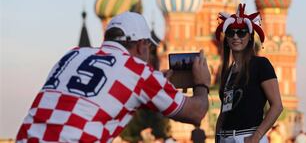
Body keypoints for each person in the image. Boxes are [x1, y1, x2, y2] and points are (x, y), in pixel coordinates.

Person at [16, 11, 211, 142]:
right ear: (141, 45)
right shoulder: (138, 71)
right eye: (149, 49)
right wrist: (202, 82)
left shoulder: (73, 54)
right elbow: (196, 113)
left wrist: (155, 85)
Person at [215, 4, 283, 143]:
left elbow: (277, 106)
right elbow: (225, 112)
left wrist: (256, 137)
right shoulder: (228, 73)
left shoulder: (261, 65)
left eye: (241, 32)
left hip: (248, 137)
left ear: (250, 37)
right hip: (226, 138)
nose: (235, 36)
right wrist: (217, 138)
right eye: (230, 33)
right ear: (226, 39)